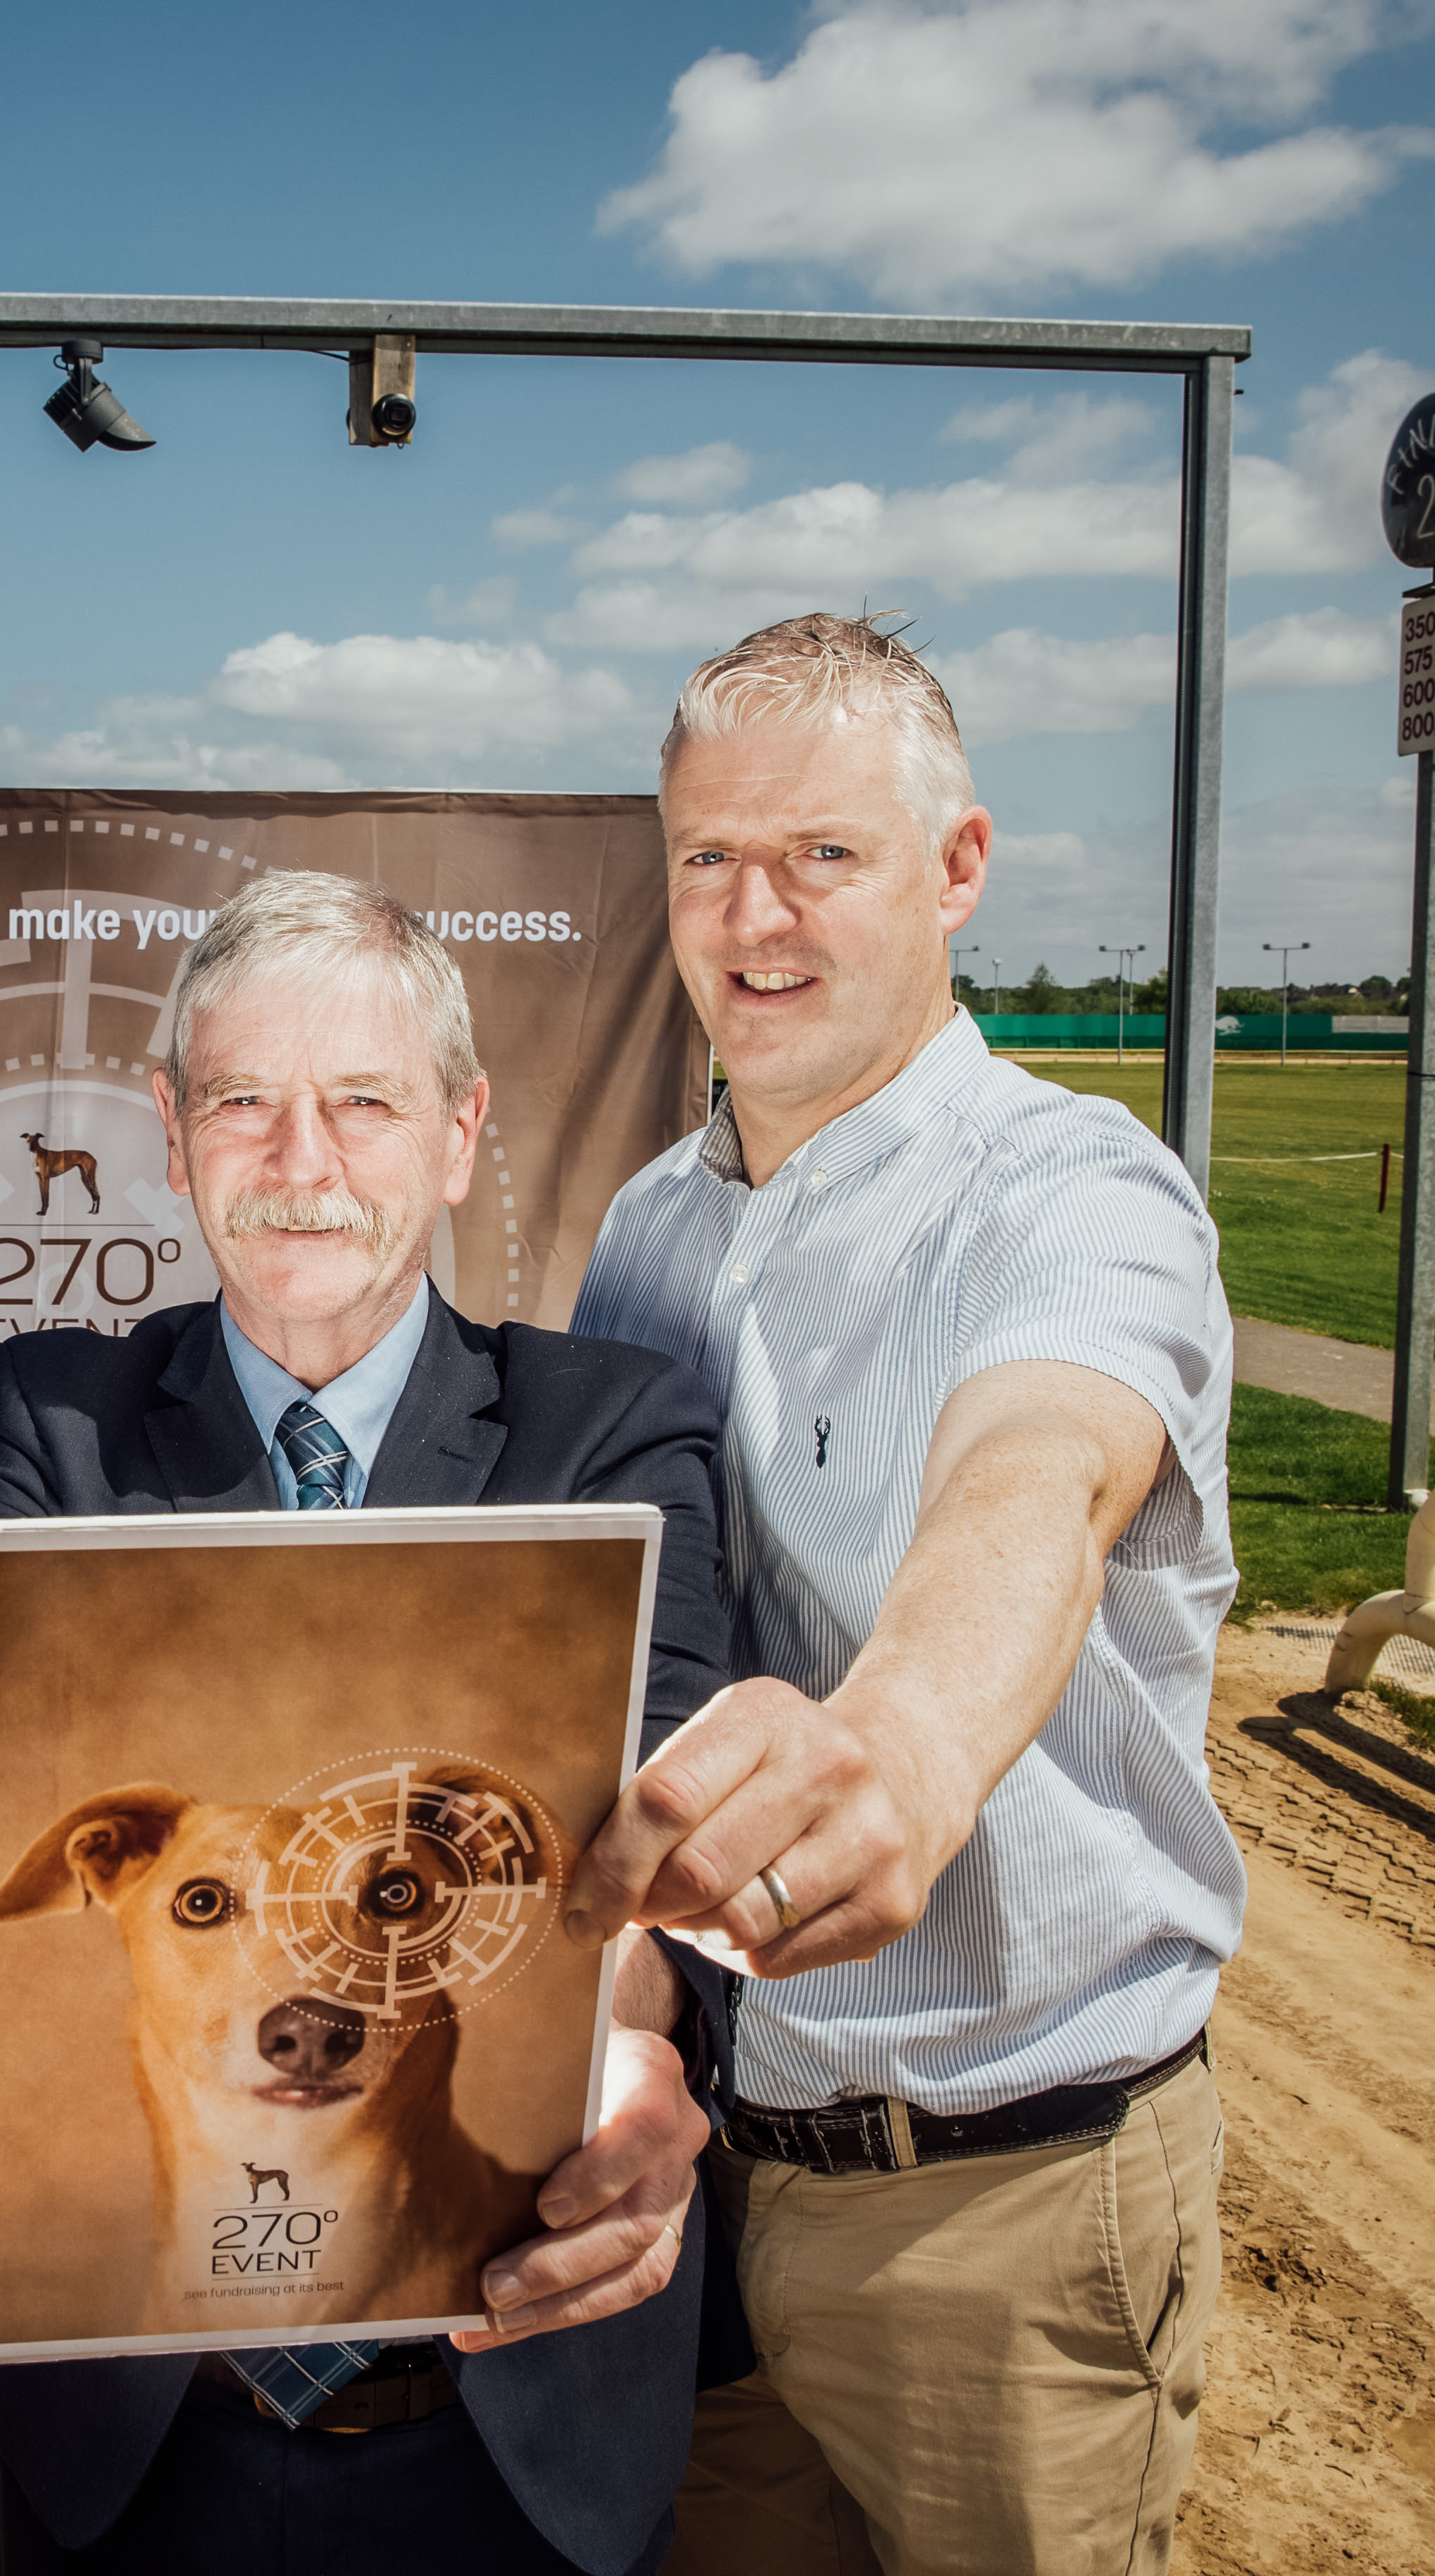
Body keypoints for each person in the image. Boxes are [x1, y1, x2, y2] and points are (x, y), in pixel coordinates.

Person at [0, 871, 739, 2576]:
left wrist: (619, 2027)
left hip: (513, 2423)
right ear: (170, 1129)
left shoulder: (615, 1441)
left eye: (364, 1104)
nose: (302, 1162)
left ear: (458, 1135)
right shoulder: (41, 1432)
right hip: (142, 2437)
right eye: (245, 1102)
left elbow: (665, 1837)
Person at [566, 616, 1242, 2576]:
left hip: (1003, 2207)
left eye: (822, 857)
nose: (750, 915)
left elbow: (1038, 1472)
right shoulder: (647, 1231)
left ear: (957, 870)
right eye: (707, 859)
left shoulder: (1075, 1194)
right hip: (710, 2183)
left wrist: (906, 1750)